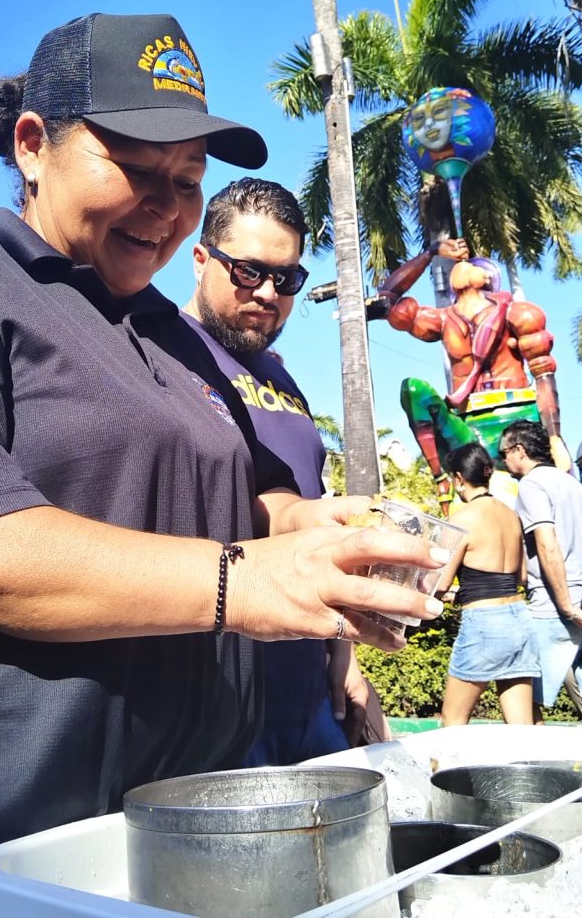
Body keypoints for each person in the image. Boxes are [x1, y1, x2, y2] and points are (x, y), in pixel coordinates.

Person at [0, 12, 446, 918]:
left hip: (182, 847)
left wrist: (313, 529)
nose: (166, 204)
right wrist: (244, 583)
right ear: (34, 144)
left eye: (189, 179)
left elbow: (244, 502)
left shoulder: (173, 336)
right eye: (134, 164)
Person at [181, 177, 389, 763]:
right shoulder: (161, 352)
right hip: (214, 701)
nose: (268, 292)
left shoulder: (281, 375)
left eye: (287, 278)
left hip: (308, 697)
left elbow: (305, 498)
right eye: (247, 271)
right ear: (201, 260)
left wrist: (343, 658)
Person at [375, 237, 570, 512]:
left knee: (540, 506)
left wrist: (554, 438)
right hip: (469, 429)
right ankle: (441, 480)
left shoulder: (519, 313)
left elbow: (544, 373)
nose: (465, 264)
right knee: (413, 389)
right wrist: (431, 253)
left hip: (518, 423)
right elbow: (386, 302)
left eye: (476, 263)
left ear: (489, 278)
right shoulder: (442, 320)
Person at [499, 419, 582, 723]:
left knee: (524, 698)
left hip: (556, 607)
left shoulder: (532, 485)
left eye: (503, 453)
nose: (503, 461)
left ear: (519, 450)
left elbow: (547, 545)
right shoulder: (572, 483)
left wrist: (566, 606)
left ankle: (530, 767)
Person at [434, 443, 539, 725]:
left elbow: (440, 583)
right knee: (522, 730)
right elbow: (521, 578)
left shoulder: (461, 519)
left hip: (484, 624)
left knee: (452, 724)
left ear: (458, 478)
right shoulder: (511, 515)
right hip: (519, 618)